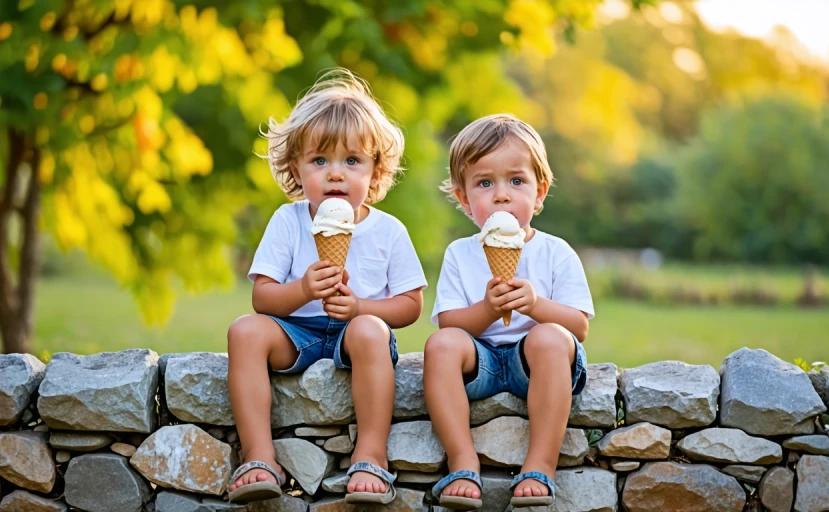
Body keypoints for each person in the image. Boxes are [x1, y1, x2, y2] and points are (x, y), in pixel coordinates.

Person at [226, 68, 426, 504]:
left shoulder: (389, 230)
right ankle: (259, 455)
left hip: (357, 335)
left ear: (375, 172)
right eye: (320, 161)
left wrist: (361, 308)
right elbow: (262, 297)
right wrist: (302, 290)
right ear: (296, 168)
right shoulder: (289, 220)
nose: (335, 174)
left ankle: (371, 452)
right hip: (296, 333)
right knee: (243, 330)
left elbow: (411, 305)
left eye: (352, 161)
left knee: (371, 330)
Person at [425, 114, 593, 509]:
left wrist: (536, 306)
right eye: (485, 183)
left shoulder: (555, 252)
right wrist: (485, 310)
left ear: (539, 192)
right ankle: (462, 460)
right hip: (479, 361)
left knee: (550, 336)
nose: (501, 195)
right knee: (442, 345)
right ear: (464, 199)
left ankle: (540, 464)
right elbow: (450, 322)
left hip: (534, 363)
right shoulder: (460, 253)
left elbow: (578, 328)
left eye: (516, 181)